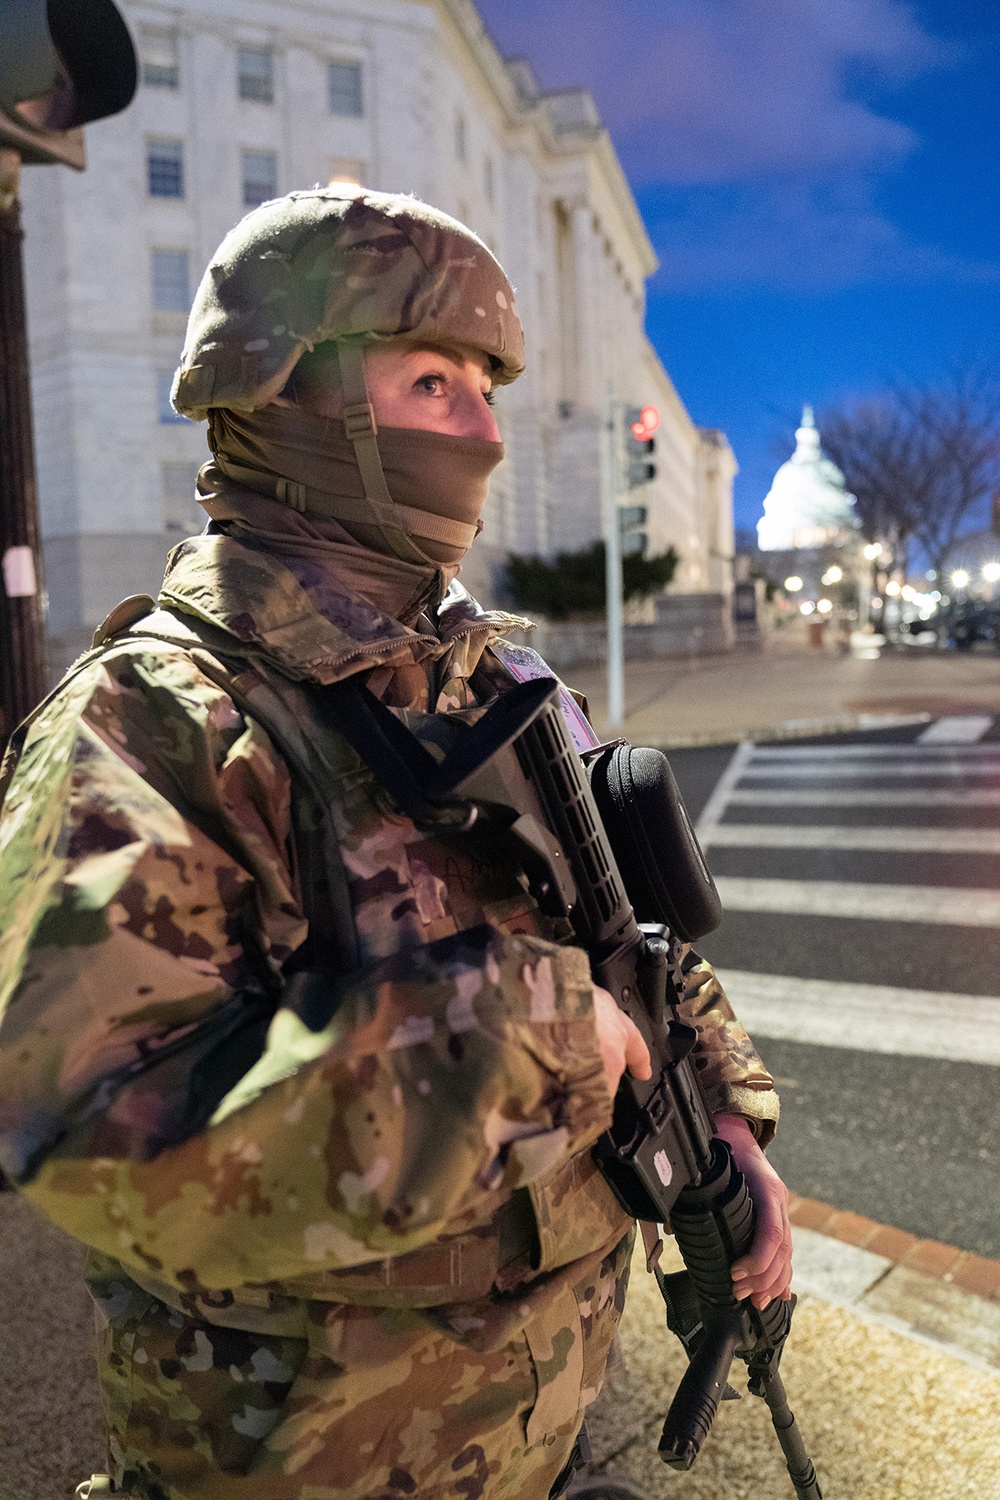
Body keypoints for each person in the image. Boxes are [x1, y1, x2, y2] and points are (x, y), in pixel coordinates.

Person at [0, 186, 790, 1500]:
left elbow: (631, 950)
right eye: (435, 382)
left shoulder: (499, 680)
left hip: (540, 1422)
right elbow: (93, 1142)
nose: (484, 430)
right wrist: (538, 1043)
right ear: (287, 396)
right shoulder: (157, 721)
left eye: (487, 387)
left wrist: (732, 1124)